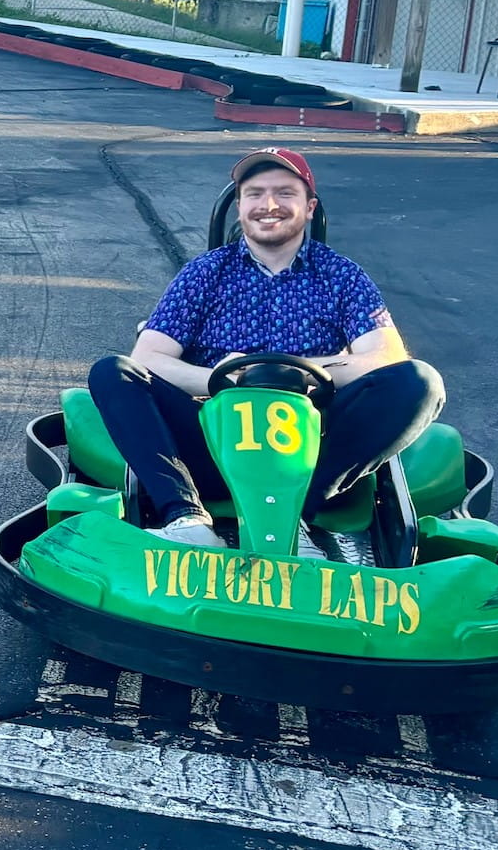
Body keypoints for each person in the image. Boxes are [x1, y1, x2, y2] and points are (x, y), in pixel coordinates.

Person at [89, 146, 444, 555]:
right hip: (213, 443)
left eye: (285, 193)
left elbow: (386, 358)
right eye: (254, 193)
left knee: (419, 381)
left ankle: (300, 519)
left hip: (310, 454)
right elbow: (147, 357)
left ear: (309, 207)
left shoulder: (342, 275)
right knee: (112, 372)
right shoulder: (205, 273)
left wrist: (307, 374)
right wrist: (218, 378)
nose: (268, 205)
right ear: (240, 206)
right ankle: (186, 518)